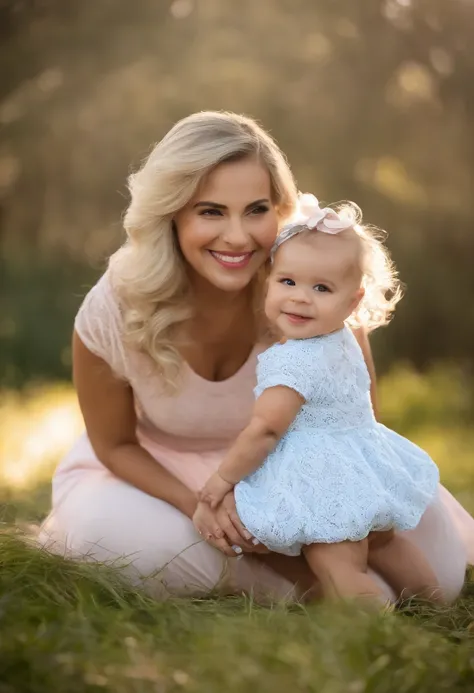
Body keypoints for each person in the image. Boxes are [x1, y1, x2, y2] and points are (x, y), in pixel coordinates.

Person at [39, 111, 474, 604]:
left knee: (442, 564)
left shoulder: (311, 289)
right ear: (172, 213)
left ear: (279, 210)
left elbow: (358, 425)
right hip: (162, 475)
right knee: (123, 537)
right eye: (210, 211)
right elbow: (114, 444)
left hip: (301, 468)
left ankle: (318, 583)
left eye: (256, 210)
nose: (238, 237)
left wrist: (314, 516)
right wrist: (202, 505)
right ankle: (314, 588)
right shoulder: (115, 303)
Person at [199, 194, 441, 604]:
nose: (299, 297)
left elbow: (266, 429)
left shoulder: (293, 362)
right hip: (366, 466)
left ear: (353, 301)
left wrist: (222, 481)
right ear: (270, 280)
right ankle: (435, 604)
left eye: (321, 288)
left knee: (337, 565)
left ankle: (373, 633)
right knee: (384, 543)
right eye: (288, 281)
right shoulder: (341, 338)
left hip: (326, 481)